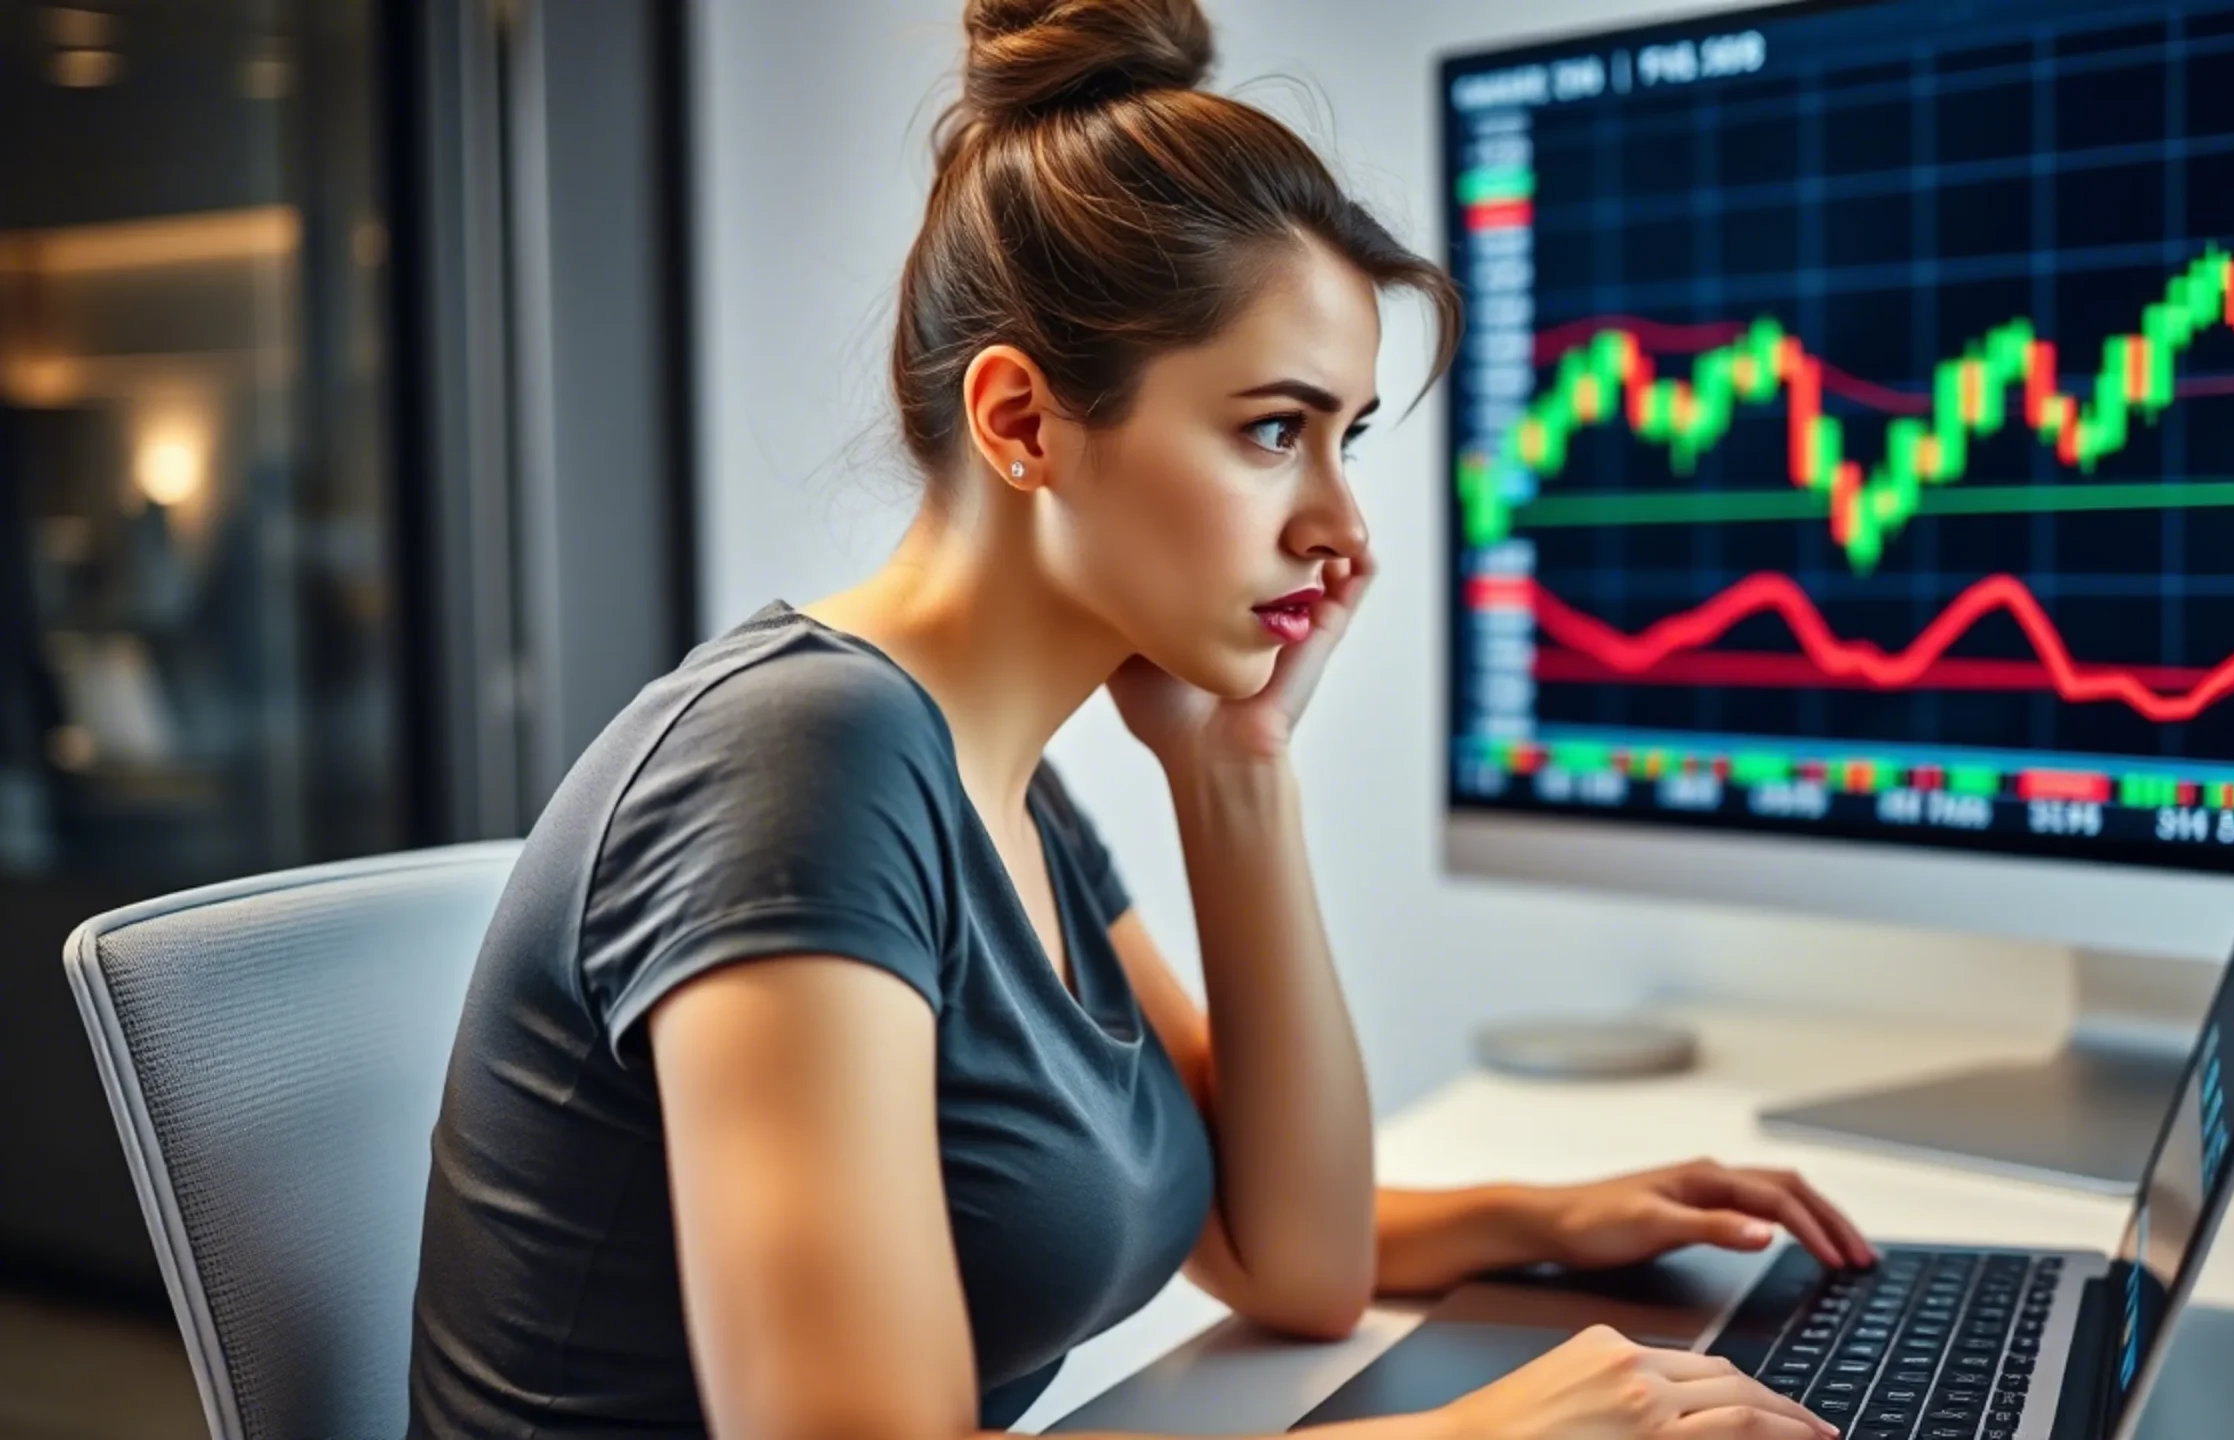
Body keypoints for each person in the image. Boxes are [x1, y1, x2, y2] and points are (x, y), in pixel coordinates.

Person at [406, 2, 1876, 1436]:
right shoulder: (798, 762)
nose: (1343, 530)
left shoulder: (994, 778)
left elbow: (1294, 1262)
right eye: (1272, 431)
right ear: (1023, 423)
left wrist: (1236, 766)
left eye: (1347, 439)